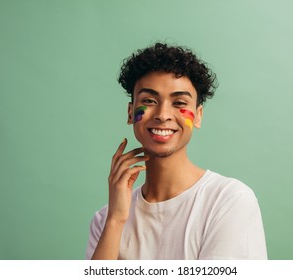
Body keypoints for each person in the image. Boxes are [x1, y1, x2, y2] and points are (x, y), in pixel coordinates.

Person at [86, 43, 267, 260]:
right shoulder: (106, 219)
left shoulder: (229, 201)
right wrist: (116, 220)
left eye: (179, 102)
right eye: (149, 101)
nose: (163, 114)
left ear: (198, 115)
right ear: (130, 111)